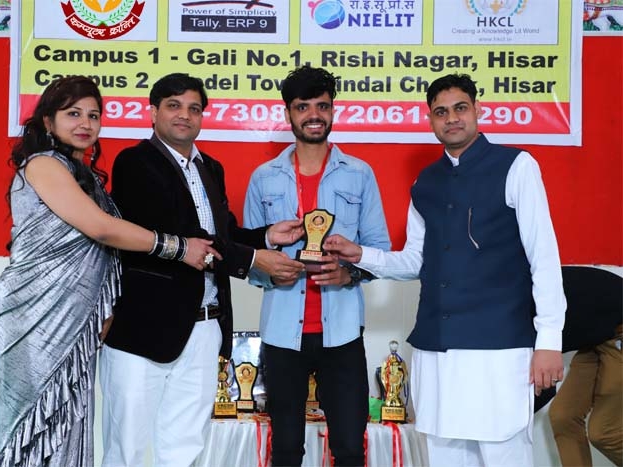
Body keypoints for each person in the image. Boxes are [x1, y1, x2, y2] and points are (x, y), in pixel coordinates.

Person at [323, 73, 566, 467]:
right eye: (441, 112)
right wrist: (360, 254)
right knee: (443, 454)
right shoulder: (426, 182)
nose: (452, 118)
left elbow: (544, 256)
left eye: (460, 108)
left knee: (504, 453)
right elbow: (415, 261)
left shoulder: (517, 166)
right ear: (430, 119)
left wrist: (549, 340)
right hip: (435, 348)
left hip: (499, 347)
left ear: (478, 110)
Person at [99, 73, 305, 467]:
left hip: (205, 327)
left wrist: (266, 237)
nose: (185, 115)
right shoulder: (134, 163)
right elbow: (181, 236)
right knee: (126, 448)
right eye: (174, 106)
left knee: (186, 448)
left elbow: (220, 235)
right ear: (153, 111)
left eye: (194, 108)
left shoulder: (211, 167)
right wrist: (252, 260)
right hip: (143, 327)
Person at [0, 76, 164, 467]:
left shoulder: (85, 178)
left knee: (71, 423)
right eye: (73, 114)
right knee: (35, 430)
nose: (85, 123)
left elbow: (102, 251)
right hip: (31, 316)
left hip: (76, 321)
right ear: (47, 121)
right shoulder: (43, 165)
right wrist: (176, 247)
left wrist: (103, 308)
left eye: (93, 115)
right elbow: (102, 229)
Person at [243, 65, 391, 466]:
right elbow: (249, 258)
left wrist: (349, 273)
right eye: (303, 106)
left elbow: (378, 250)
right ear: (288, 113)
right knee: (286, 449)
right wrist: (272, 270)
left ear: (333, 111)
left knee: (349, 448)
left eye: (322, 106)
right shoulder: (263, 178)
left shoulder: (359, 174)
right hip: (281, 335)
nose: (314, 115)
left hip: (341, 333)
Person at [548, 266, 622, 467]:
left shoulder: (514, 306)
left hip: (616, 328)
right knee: (563, 417)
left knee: (605, 432)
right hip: (597, 336)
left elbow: (544, 384)